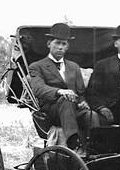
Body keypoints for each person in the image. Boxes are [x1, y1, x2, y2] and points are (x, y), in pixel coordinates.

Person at [27, 22, 100, 150]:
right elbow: (38, 89)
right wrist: (60, 91)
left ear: (67, 47)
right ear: (49, 44)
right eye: (57, 43)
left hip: (74, 109)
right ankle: (73, 143)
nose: (60, 47)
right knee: (66, 101)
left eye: (64, 44)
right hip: (51, 112)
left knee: (91, 115)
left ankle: (95, 147)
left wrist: (83, 102)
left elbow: (81, 93)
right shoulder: (37, 66)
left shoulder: (74, 67)